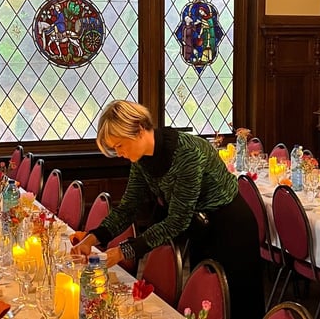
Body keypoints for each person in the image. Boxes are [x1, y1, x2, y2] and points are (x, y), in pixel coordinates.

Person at [71, 100, 265, 319]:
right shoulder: (141, 159)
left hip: (231, 227)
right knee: (207, 302)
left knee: (238, 304)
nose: (119, 153)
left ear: (139, 129)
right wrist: (92, 238)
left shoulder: (187, 152)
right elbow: (128, 208)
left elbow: (178, 220)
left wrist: (123, 251)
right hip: (200, 226)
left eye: (119, 145)